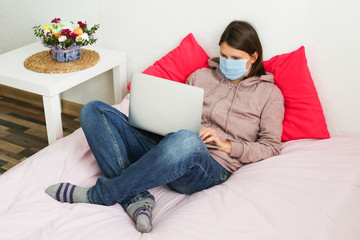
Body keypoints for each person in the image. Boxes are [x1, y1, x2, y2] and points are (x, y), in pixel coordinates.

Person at [45, 20, 284, 233]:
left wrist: (226, 145)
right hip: (166, 146)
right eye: (223, 56)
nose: (226, 63)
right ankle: (136, 200)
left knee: (187, 141)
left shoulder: (269, 94)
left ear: (253, 57)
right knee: (93, 110)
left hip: (210, 167)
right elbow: (178, 113)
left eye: (235, 59)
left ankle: (101, 194)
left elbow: (271, 147)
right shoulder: (200, 76)